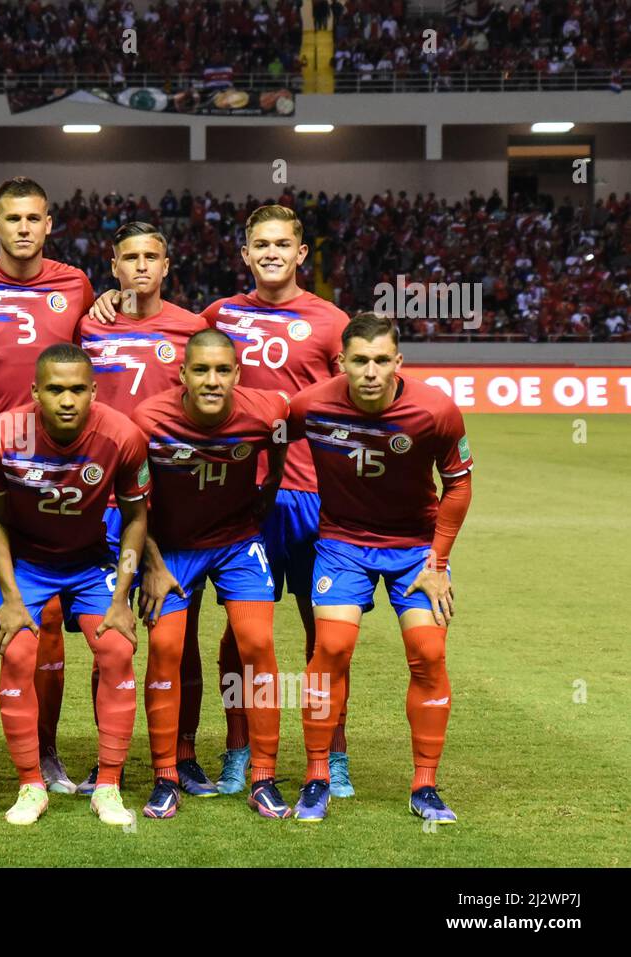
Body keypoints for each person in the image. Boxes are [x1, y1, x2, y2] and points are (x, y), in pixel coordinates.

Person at [0, 176, 98, 795]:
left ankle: (47, 752)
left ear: (49, 224)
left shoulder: (76, 285)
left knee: (48, 617)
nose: (23, 228)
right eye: (12, 218)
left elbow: (86, 363)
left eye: (34, 218)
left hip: (52, 470)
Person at [286, 313, 473, 823]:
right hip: (343, 543)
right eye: (360, 360)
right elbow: (269, 443)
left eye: (381, 360)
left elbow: (458, 484)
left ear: (399, 362)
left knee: (428, 653)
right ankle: (317, 777)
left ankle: (425, 786)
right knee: (332, 648)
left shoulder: (436, 411)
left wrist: (438, 560)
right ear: (341, 361)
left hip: (415, 548)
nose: (371, 371)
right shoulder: (310, 406)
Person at [200, 204, 351, 797]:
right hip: (245, 498)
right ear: (244, 254)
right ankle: (241, 749)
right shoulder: (219, 315)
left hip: (317, 496)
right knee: (243, 636)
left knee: (327, 634)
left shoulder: (331, 320)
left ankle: (330, 754)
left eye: (282, 244)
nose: (271, 253)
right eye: (260, 244)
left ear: (301, 253)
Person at [0, 344, 150, 827]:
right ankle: (31, 785)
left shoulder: (122, 436)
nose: (67, 399)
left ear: (94, 391)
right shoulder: (3, 435)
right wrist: (10, 597)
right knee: (16, 654)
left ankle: (109, 787)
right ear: (35, 391)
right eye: (55, 389)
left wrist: (122, 599)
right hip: (27, 565)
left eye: (78, 389)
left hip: (90, 561)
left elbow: (136, 517)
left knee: (117, 648)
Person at [131, 329, 292, 819]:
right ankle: (165, 775)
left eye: (223, 370)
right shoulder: (148, 421)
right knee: (165, 648)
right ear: (182, 374)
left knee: (259, 645)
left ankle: (263, 776)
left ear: (237, 374)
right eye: (201, 370)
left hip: (237, 544)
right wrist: (152, 563)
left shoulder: (269, 412)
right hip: (172, 548)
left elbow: (280, 441)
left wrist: (272, 485)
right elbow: (132, 502)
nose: (212, 380)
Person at [74, 220, 211, 795]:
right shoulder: (89, 324)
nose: (141, 268)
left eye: (151, 257)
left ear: (166, 265)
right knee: (109, 632)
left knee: (180, 634)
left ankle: (182, 754)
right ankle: (106, 758)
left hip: (173, 501)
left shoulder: (193, 328)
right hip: (102, 499)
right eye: (130, 258)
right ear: (114, 265)